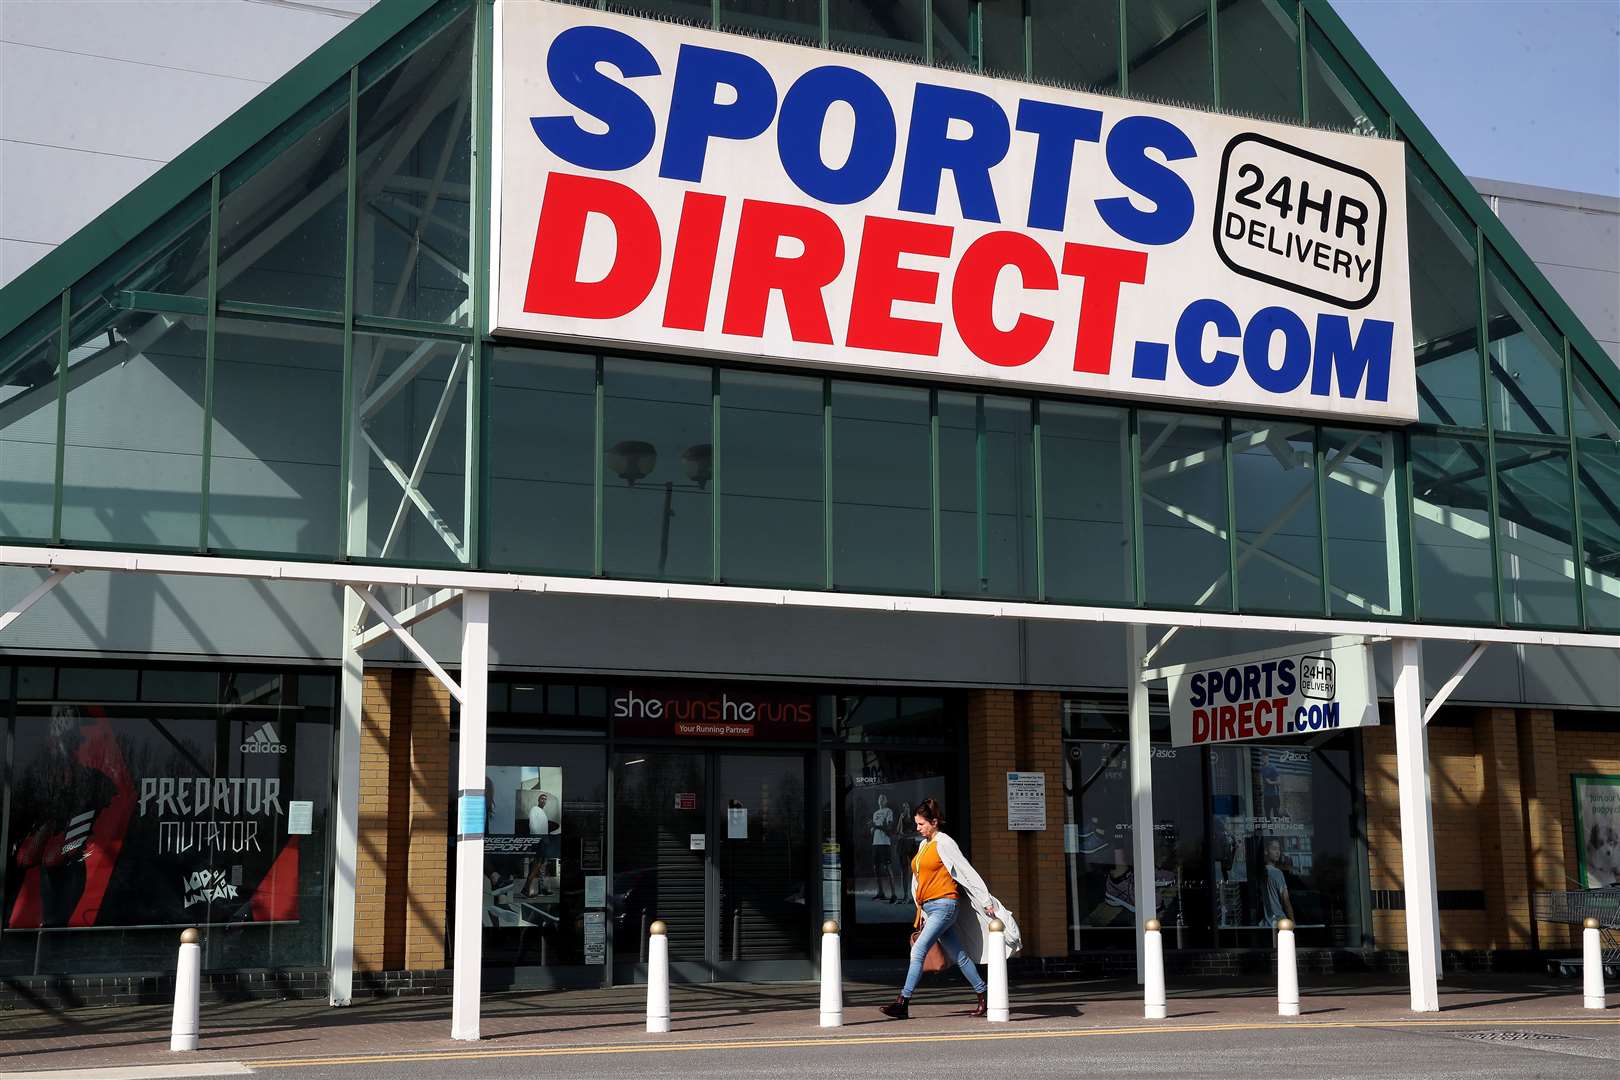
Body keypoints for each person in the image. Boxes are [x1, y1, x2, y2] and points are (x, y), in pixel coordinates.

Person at [880, 798, 1021, 1020]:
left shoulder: (944, 843)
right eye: (916, 824)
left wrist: (986, 902)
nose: (917, 828)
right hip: (931, 908)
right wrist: (922, 911)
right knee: (960, 956)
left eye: (921, 824)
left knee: (918, 951)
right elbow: (919, 880)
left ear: (934, 822)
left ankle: (902, 1002)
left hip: (945, 905)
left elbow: (966, 871)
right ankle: (984, 996)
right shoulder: (924, 845)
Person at [1261, 838, 1295, 927]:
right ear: (1266, 851)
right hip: (1280, 922)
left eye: (1278, 849)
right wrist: (1293, 922)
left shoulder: (1261, 872)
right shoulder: (1277, 873)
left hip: (1266, 923)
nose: (1277, 852)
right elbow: (1286, 901)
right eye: (1274, 849)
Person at [870, 793, 898, 902]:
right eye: (879, 797)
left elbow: (889, 828)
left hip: (885, 843)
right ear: (878, 801)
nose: (881, 799)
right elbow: (874, 829)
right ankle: (880, 893)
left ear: (885, 801)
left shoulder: (888, 811)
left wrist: (876, 826)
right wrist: (872, 829)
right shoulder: (875, 813)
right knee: (876, 868)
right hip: (875, 843)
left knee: (887, 868)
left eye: (883, 797)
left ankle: (894, 895)